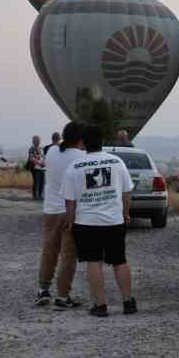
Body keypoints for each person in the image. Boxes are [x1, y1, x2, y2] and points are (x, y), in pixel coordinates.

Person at [61, 124, 136, 317]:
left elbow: (70, 201)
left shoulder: (75, 166)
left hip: (86, 222)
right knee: (120, 261)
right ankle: (128, 302)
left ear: (84, 143)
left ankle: (101, 305)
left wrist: (70, 222)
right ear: (102, 141)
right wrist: (126, 214)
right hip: (113, 221)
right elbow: (127, 193)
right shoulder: (117, 162)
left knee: (93, 262)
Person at [36, 122, 84, 308]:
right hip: (72, 211)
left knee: (49, 251)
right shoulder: (82, 156)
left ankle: (43, 290)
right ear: (80, 139)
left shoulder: (51, 152)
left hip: (51, 210)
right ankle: (63, 296)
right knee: (69, 255)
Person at [25, 134, 46, 201]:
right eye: (36, 140)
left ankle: (40, 195)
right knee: (36, 182)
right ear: (33, 141)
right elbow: (31, 158)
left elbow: (43, 157)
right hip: (35, 168)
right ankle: (35, 196)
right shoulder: (32, 149)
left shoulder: (41, 148)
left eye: (39, 140)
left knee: (42, 182)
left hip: (42, 168)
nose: (38, 141)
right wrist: (40, 163)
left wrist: (44, 163)